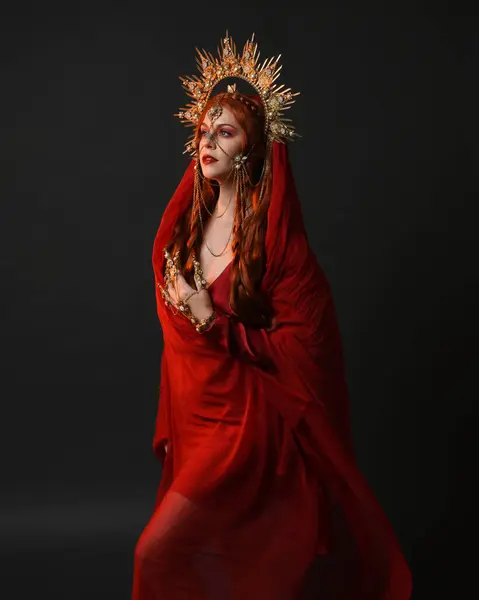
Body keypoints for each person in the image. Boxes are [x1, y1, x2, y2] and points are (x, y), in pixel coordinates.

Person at [132, 33, 412, 600]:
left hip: (247, 428)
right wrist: (186, 312)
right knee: (216, 558)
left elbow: (305, 346)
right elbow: (182, 329)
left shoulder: (278, 248)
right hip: (200, 418)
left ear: (253, 150)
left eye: (225, 132)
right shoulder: (187, 228)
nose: (208, 140)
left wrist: (211, 317)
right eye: (204, 129)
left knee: (156, 551)